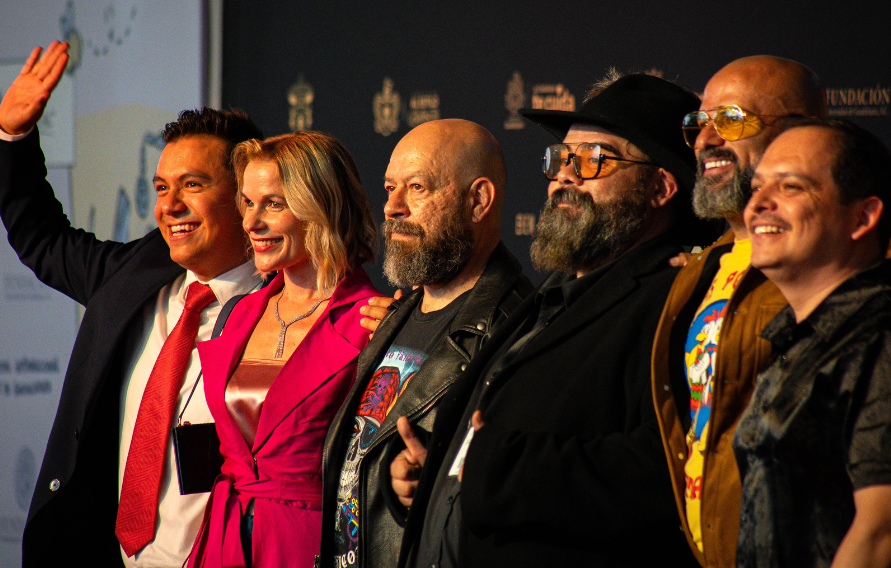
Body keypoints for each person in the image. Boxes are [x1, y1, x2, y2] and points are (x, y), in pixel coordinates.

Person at [649, 55, 891, 568]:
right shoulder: (707, 269)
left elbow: (884, 532)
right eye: (699, 123)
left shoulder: (881, 315)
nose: (704, 140)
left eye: (731, 120)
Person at [397, 73, 714, 568]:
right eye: (561, 159)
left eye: (592, 159)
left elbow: (667, 473)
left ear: (661, 187)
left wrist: (493, 472)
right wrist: (439, 471)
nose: (565, 174)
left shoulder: (678, 303)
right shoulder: (550, 294)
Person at [0, 41, 265, 567]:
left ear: (246, 196)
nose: (169, 206)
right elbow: (44, 239)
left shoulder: (290, 308)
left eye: (193, 185)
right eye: (162, 186)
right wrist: (13, 136)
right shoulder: (137, 273)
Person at [318, 119, 533, 568]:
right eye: (390, 187)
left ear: (478, 200)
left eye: (417, 188)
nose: (393, 207)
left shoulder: (517, 330)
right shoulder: (395, 313)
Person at [733, 119, 891, 567]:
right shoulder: (799, 335)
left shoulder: (887, 337)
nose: (758, 205)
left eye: (790, 187)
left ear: (862, 217)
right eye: (758, 187)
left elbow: (886, 532)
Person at [185, 132, 382, 568]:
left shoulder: (372, 321)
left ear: (322, 206)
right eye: (248, 203)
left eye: (273, 204)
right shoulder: (241, 313)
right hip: (224, 538)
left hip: (308, 543)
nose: (251, 223)